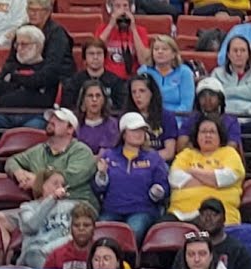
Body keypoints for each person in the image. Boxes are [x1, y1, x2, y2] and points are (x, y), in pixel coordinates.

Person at [93, 112, 168, 243]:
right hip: (112, 209)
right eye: (134, 130)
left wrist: (158, 191)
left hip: (141, 210)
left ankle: (128, 262)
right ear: (123, 133)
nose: (139, 134)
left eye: (142, 130)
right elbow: (98, 189)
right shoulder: (109, 156)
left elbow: (164, 186)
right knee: (100, 231)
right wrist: (101, 175)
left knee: (134, 230)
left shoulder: (154, 158)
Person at [4, 108, 99, 209]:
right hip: (43, 207)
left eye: (59, 119)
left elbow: (63, 178)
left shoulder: (81, 151)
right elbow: (12, 161)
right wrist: (17, 172)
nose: (52, 121)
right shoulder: (38, 151)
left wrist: (37, 181)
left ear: (70, 129)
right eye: (51, 118)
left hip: (76, 205)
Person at [0, 26, 56, 131]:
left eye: (24, 44)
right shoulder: (10, 66)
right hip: (5, 114)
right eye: (17, 44)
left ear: (38, 46)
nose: (19, 48)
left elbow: (44, 99)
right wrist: (26, 85)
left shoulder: (48, 69)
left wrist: (14, 80)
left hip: (34, 116)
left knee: (30, 130)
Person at [167, 118, 245, 224]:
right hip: (180, 215)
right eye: (203, 131)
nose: (208, 135)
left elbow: (226, 177)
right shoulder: (186, 154)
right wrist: (212, 179)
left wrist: (193, 171)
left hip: (220, 218)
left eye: (212, 132)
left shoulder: (230, 153)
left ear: (220, 135)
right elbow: (174, 178)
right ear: (197, 136)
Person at [17, 171, 83, 269]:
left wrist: (48, 249)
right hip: (37, 255)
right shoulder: (27, 207)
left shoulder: (71, 207)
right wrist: (51, 200)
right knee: (33, 253)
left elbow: (76, 234)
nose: (60, 187)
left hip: (63, 252)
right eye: (55, 183)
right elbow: (31, 227)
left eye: (62, 184)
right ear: (42, 185)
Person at [212, 35, 251, 124]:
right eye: (235, 50)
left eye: (243, 50)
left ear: (248, 54)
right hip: (223, 121)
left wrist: (244, 119)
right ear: (228, 54)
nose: (239, 54)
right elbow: (212, 102)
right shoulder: (217, 74)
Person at [62, 38, 128, 112]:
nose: (95, 57)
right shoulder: (74, 82)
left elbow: (121, 108)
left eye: (99, 53)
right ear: (85, 57)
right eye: (91, 54)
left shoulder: (116, 82)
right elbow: (68, 107)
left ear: (104, 56)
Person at [125, 73, 178, 162]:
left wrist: (146, 160)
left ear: (152, 93)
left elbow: (169, 152)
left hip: (157, 162)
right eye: (134, 92)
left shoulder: (167, 117)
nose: (137, 96)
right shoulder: (126, 117)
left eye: (142, 91)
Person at [139, 34, 193, 115]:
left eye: (164, 49)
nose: (160, 52)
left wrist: (168, 117)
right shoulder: (144, 71)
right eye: (156, 49)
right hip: (149, 116)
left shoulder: (185, 72)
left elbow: (186, 106)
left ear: (174, 54)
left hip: (177, 117)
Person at [96, 0, 148, 81]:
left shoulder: (140, 31)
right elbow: (95, 50)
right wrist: (111, 25)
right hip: (108, 78)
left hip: (133, 80)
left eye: (125, 6)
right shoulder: (103, 29)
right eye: (118, 6)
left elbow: (144, 61)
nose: (122, 10)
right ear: (110, 9)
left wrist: (133, 29)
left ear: (131, 9)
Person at [43, 202, 98, 269]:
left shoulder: (101, 255)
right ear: (70, 228)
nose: (81, 229)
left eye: (86, 225)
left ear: (94, 227)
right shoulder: (56, 255)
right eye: (76, 225)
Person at [74, 79, 119, 153]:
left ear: (104, 100)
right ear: (83, 100)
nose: (94, 99)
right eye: (90, 96)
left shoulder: (113, 124)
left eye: (98, 96)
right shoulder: (75, 125)